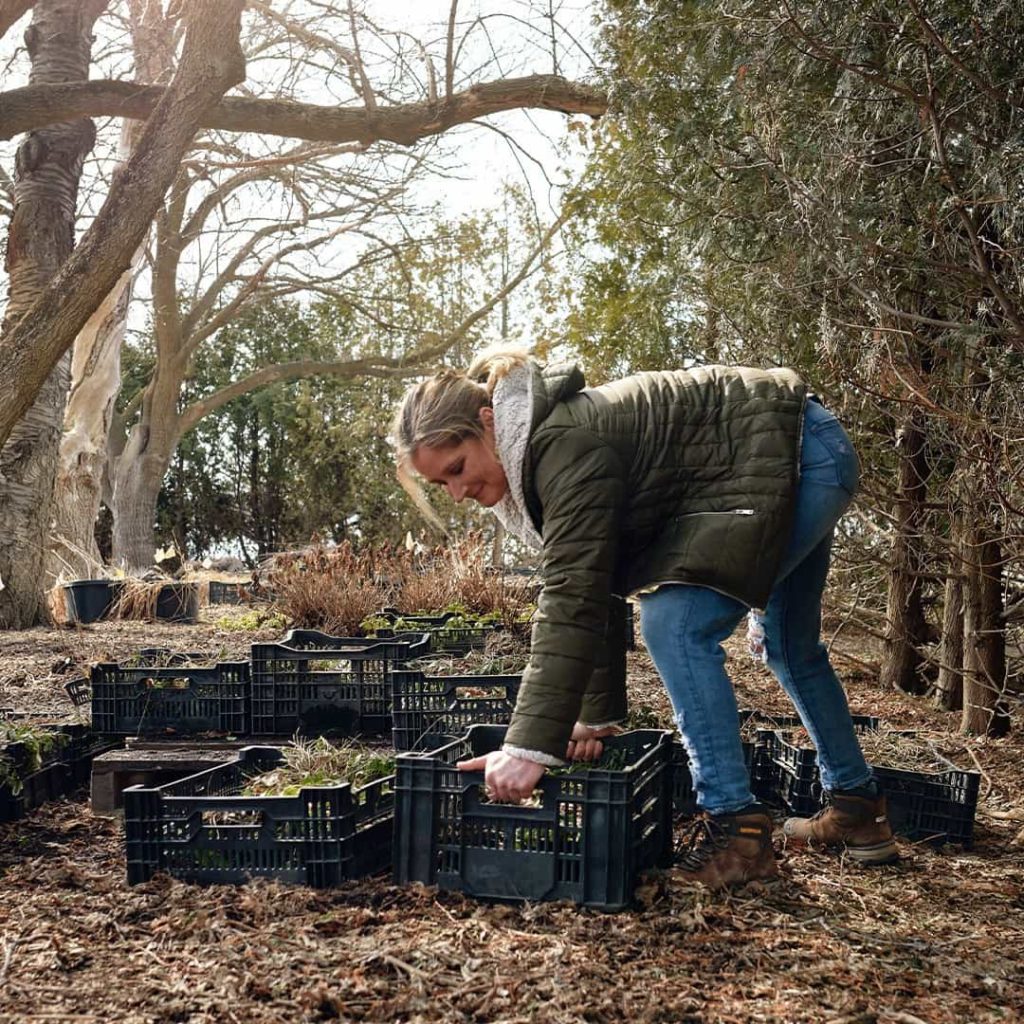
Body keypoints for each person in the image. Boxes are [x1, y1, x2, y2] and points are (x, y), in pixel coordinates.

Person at [392, 349, 898, 889]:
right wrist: (596, 715)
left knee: (674, 624)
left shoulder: (561, 445)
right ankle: (857, 808)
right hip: (797, 445)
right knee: (788, 646)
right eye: (441, 485)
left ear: (488, 421)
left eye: (457, 468)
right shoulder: (538, 451)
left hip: (791, 456)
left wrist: (526, 748)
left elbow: (572, 596)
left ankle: (739, 832)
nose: (458, 492)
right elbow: (600, 576)